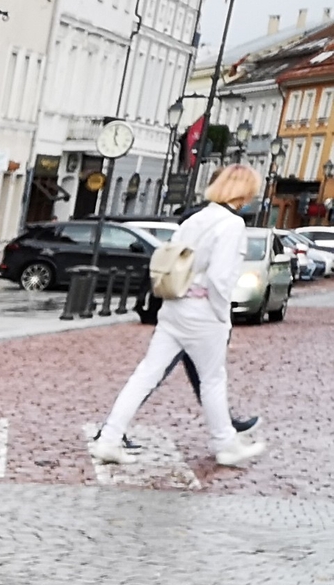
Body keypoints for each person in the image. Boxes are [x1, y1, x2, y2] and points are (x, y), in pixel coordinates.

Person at [89, 164, 266, 469]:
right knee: (212, 379)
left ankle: (109, 438)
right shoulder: (232, 225)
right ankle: (225, 443)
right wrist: (224, 318)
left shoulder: (195, 220)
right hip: (203, 310)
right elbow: (220, 279)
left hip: (175, 305)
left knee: (146, 375)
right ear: (244, 192)